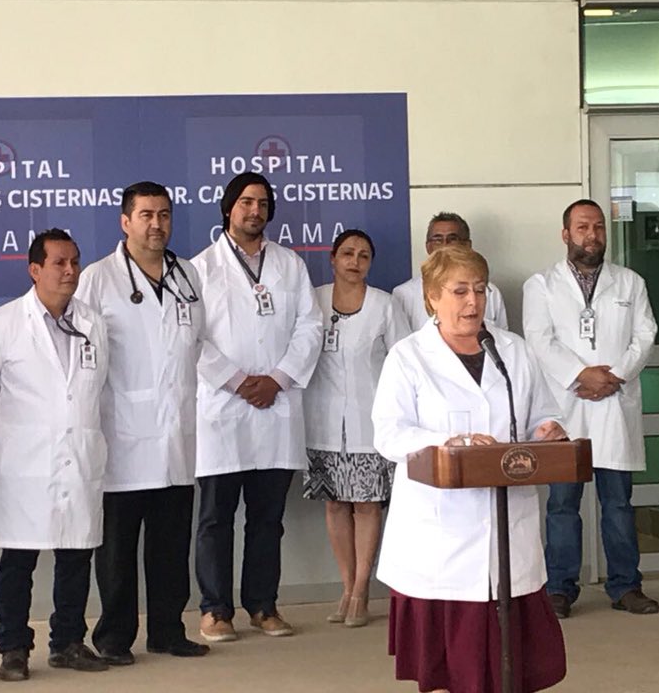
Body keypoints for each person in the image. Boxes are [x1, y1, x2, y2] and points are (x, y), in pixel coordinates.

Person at [373, 245, 567, 693]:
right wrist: (450, 443)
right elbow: (389, 434)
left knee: (511, 664)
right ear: (432, 297)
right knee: (455, 665)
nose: (472, 301)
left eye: (480, 290)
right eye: (459, 291)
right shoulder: (408, 356)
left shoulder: (513, 350)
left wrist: (548, 429)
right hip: (440, 534)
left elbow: (542, 413)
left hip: (507, 524)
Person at [74, 182, 209, 663]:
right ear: (125, 221)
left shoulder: (187, 274)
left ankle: (168, 630)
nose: (157, 224)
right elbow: (84, 354)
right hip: (122, 434)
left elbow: (198, 343)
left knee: (171, 543)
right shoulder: (98, 278)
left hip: (176, 432)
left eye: (164, 214)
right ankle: (113, 637)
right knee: (117, 548)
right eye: (147, 215)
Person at [192, 172, 323, 642]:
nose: (255, 210)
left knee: (267, 520)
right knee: (215, 520)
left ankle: (263, 605)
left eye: (263, 203)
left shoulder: (290, 264)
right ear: (228, 208)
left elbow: (311, 326)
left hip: (276, 405)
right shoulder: (200, 268)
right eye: (246, 202)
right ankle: (215, 610)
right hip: (223, 410)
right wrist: (239, 382)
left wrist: (277, 379)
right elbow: (192, 337)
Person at [0, 229, 111, 679]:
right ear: (35, 270)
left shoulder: (93, 322)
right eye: (59, 263)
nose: (70, 271)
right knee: (18, 560)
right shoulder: (3, 323)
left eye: (75, 262)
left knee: (76, 554)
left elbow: (98, 389)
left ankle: (68, 641)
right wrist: (13, 447)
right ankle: (13, 647)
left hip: (79, 454)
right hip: (24, 462)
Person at [523, 199, 659, 618]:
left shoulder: (630, 283)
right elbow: (539, 340)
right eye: (582, 227)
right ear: (566, 234)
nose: (592, 235)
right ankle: (560, 589)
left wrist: (614, 376)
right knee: (562, 505)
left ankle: (625, 586)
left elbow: (645, 334)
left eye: (598, 227)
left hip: (614, 404)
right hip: (566, 407)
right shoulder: (541, 285)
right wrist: (581, 375)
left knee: (618, 505)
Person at [303, 229, 408, 628]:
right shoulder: (313, 300)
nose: (355, 261)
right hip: (323, 419)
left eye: (364, 255)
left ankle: (363, 588)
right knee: (334, 503)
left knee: (367, 504)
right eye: (347, 253)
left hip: (370, 420)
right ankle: (346, 586)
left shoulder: (384, 304)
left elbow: (402, 361)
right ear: (332, 258)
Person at [392, 212, 509, 331]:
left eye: (452, 239)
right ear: (428, 246)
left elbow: (501, 337)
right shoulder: (404, 294)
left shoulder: (491, 292)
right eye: (438, 240)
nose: (445, 245)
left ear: (467, 245)